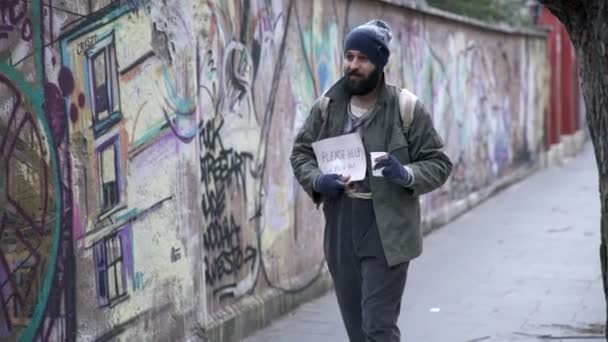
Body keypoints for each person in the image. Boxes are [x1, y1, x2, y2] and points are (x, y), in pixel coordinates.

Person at [290, 19, 453, 341]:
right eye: (349, 56)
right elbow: (301, 154)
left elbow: (439, 162)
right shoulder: (327, 108)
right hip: (341, 226)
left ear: (379, 63)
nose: (353, 65)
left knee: (378, 326)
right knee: (356, 328)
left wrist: (406, 173)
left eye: (362, 58)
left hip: (388, 227)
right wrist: (318, 180)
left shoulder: (406, 108)